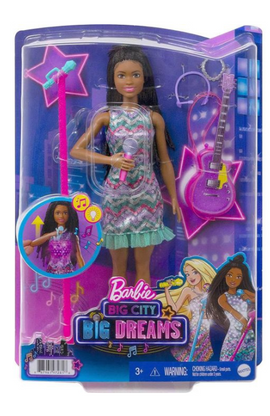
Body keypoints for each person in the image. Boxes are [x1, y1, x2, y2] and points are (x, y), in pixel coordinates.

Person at [70, 45, 181, 284]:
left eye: (135, 75)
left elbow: (164, 160)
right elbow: (76, 151)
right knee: (118, 266)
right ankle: (116, 302)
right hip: (116, 196)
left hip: (147, 195)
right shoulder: (105, 117)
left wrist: (174, 197)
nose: (129, 81)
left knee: (143, 265)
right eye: (121, 75)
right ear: (113, 79)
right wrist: (111, 160)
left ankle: (144, 303)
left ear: (144, 78)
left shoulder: (153, 118)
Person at [156, 257, 216, 362]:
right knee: (187, 357)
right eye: (187, 274)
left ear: (202, 272)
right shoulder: (187, 291)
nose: (190, 277)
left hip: (208, 331)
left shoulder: (211, 291)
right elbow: (174, 309)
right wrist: (167, 292)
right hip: (193, 329)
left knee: (202, 358)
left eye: (194, 272)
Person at [206, 253, 255, 361]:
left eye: (238, 277)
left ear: (242, 278)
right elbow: (232, 311)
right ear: (224, 276)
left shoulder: (243, 292)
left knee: (246, 359)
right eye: (229, 275)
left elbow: (258, 299)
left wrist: (249, 298)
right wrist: (244, 323)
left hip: (248, 332)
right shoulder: (223, 298)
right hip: (234, 334)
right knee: (228, 359)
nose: (233, 279)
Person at [23, 201, 85, 274]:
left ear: (69, 214)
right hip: (52, 270)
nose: (61, 216)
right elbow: (33, 244)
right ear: (53, 214)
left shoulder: (72, 236)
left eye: (65, 213)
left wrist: (84, 272)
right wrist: (52, 234)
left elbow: (78, 255)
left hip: (67, 270)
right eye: (57, 213)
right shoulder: (50, 235)